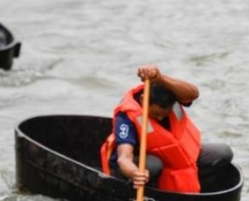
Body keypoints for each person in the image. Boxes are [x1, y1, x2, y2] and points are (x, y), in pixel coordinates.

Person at [100, 65, 234, 193]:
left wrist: (160, 78)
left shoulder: (174, 96)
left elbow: (193, 94)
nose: (159, 118)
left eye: (164, 115)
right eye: (155, 114)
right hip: (137, 166)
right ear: (143, 100)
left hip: (174, 158)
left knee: (223, 152)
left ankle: (191, 184)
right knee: (154, 164)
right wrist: (135, 174)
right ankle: (152, 188)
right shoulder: (126, 116)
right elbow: (124, 158)